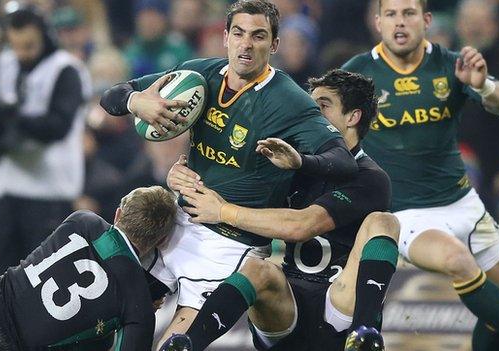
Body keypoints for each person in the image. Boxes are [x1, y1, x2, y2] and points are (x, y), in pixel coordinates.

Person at [100, 0, 357, 342]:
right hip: (176, 225)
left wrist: (300, 161)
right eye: (238, 33)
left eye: (258, 36)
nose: (246, 44)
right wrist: (137, 102)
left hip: (231, 246)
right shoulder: (198, 75)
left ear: (274, 44)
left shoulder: (289, 101)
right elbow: (112, 96)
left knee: (176, 346)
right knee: (109, 313)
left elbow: (343, 161)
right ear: (225, 37)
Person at [342, 1, 499, 350]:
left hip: (464, 203)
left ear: (427, 20)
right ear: (377, 22)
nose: (399, 22)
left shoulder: (452, 65)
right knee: (457, 261)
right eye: (391, 14)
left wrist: (484, 88)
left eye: (409, 13)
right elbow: (318, 119)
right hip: (407, 213)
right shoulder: (357, 74)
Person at [160, 69, 398, 351]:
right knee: (258, 270)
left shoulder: (370, 177)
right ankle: (189, 344)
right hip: (286, 307)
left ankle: (364, 333)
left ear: (353, 117)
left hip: (340, 305)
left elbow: (302, 225)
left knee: (383, 222)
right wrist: (183, 179)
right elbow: (229, 184)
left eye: (321, 105)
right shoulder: (287, 159)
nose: (309, 113)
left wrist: (223, 211)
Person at [0, 185, 177, 351]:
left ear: (118, 214)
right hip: (5, 344)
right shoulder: (138, 307)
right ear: (160, 241)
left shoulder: (83, 221)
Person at [0, 6, 91, 278]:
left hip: (48, 191)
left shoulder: (66, 69)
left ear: (45, 37)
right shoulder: (5, 64)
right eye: (15, 45)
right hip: (5, 187)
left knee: (42, 278)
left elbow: (58, 126)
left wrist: (14, 118)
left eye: (28, 46)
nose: (21, 53)